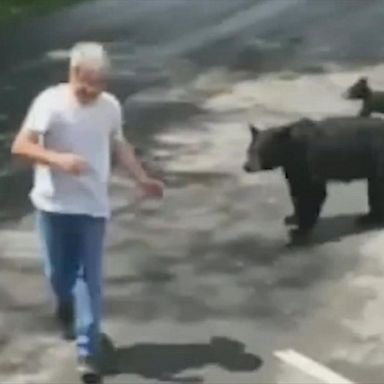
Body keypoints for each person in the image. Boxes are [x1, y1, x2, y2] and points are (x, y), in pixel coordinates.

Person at [11, 41, 163, 382]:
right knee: (58, 275)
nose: (92, 91)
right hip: (52, 204)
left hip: (92, 207)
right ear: (73, 73)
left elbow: (119, 144)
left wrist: (141, 178)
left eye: (100, 84)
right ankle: (66, 305)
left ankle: (88, 351)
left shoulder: (109, 106)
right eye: (87, 83)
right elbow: (21, 145)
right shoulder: (49, 103)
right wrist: (58, 159)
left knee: (88, 280)